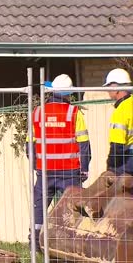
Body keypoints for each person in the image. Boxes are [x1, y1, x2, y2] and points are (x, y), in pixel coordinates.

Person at [27, 74, 91, 250]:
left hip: (45, 171)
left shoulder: (37, 112)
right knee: (75, 207)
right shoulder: (73, 112)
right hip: (69, 172)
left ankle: (35, 242)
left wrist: (36, 165)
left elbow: (29, 144)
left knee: (39, 205)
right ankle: (76, 244)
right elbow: (84, 144)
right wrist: (84, 169)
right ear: (68, 94)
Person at [103, 68, 133, 175]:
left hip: (129, 159)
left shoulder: (121, 110)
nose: (107, 91)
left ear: (116, 88)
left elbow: (117, 147)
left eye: (109, 87)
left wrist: (110, 166)